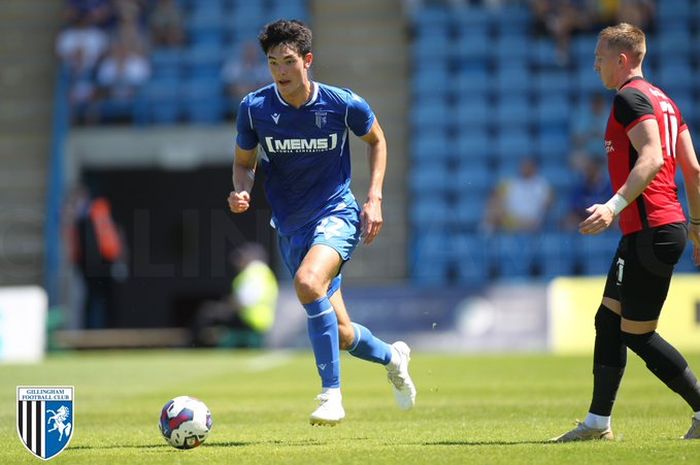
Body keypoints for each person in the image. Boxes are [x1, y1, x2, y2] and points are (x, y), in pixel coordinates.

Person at [227, 20, 416, 426]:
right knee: (344, 334)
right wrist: (241, 190)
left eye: (289, 61)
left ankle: (331, 395)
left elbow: (377, 140)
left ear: (307, 61)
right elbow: (244, 164)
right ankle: (393, 356)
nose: (280, 70)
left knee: (308, 283)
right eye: (273, 62)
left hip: (336, 215)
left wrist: (374, 197)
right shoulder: (255, 109)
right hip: (292, 229)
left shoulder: (342, 103)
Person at [551, 23, 700, 442]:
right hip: (656, 226)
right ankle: (598, 423)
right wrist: (697, 229)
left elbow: (652, 155)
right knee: (608, 320)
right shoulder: (666, 102)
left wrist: (613, 205)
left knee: (639, 334)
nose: (595, 63)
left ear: (622, 60)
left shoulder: (628, 98)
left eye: (600, 57)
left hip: (650, 227)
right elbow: (694, 171)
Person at [191, 243, 278, 347]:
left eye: (241, 257)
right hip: (255, 324)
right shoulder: (261, 272)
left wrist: (219, 310)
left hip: (249, 326)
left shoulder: (255, 272)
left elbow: (244, 300)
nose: (237, 261)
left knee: (224, 341)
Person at [482, 158, 553, 232]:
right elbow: (495, 196)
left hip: (533, 221)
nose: (525, 169)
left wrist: (538, 217)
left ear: (534, 168)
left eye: (528, 166)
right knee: (493, 209)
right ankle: (487, 237)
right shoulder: (511, 183)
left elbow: (548, 204)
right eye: (523, 166)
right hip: (510, 219)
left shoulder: (542, 185)